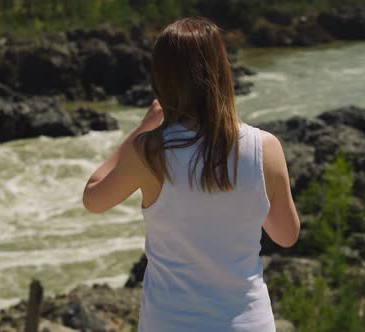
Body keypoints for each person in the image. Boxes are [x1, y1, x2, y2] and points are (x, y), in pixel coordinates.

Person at [82, 17, 300, 332]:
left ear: (161, 78)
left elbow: (94, 196)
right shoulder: (265, 147)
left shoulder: (150, 152)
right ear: (223, 71)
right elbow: (286, 235)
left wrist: (140, 130)